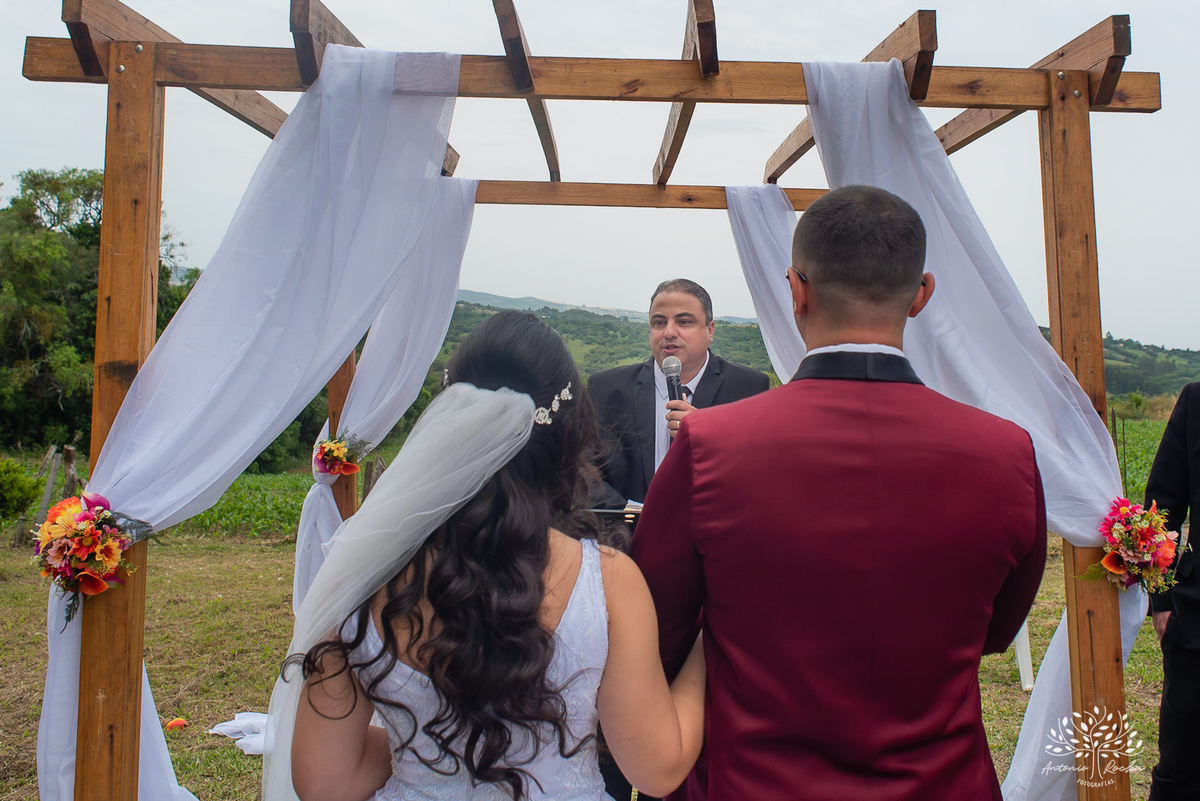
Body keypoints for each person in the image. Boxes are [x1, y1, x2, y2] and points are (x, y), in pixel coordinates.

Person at [631, 185, 1047, 801]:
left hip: (754, 783)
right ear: (921, 295)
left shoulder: (711, 445)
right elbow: (995, 631)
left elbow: (657, 624)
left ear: (796, 291)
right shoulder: (1008, 453)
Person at [269, 311, 706, 801]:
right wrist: (704, 649)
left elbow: (326, 782)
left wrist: (422, 751)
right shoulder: (608, 581)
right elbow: (659, 770)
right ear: (568, 438)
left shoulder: (366, 573)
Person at [588, 279, 769, 507]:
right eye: (659, 322)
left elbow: (759, 474)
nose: (669, 332)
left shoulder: (748, 388)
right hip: (626, 527)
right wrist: (632, 516)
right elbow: (584, 471)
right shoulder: (607, 388)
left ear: (710, 330)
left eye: (684, 322)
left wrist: (710, 436)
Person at [1145, 383, 1199, 801]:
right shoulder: (1196, 403)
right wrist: (1161, 600)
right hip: (1196, 619)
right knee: (1181, 770)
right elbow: (1162, 507)